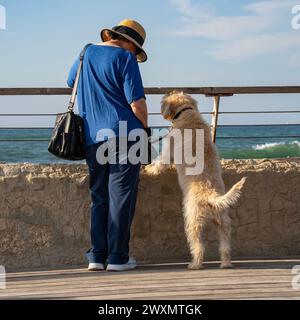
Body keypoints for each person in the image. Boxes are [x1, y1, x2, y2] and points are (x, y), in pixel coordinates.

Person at [67, 19, 149, 271]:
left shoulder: (85, 52)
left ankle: (96, 257)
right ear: (130, 44)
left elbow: (72, 82)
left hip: (93, 136)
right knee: (121, 198)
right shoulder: (125, 58)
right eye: (136, 50)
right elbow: (136, 104)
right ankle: (118, 258)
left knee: (99, 197)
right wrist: (144, 129)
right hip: (126, 134)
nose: (134, 55)